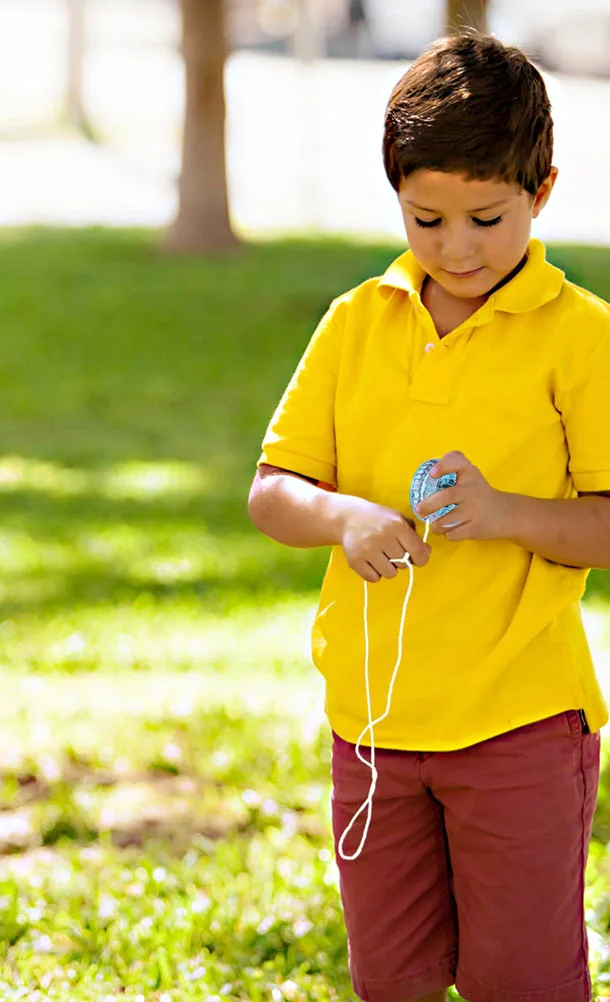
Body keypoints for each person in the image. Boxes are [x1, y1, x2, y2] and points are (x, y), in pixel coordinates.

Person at [248, 30, 610, 1002]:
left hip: (520, 727)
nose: (456, 248)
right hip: (371, 727)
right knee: (391, 981)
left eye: (488, 219)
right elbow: (273, 491)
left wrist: (503, 513)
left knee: (522, 981)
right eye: (427, 218)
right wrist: (343, 520)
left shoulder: (579, 337)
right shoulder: (356, 320)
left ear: (542, 190)